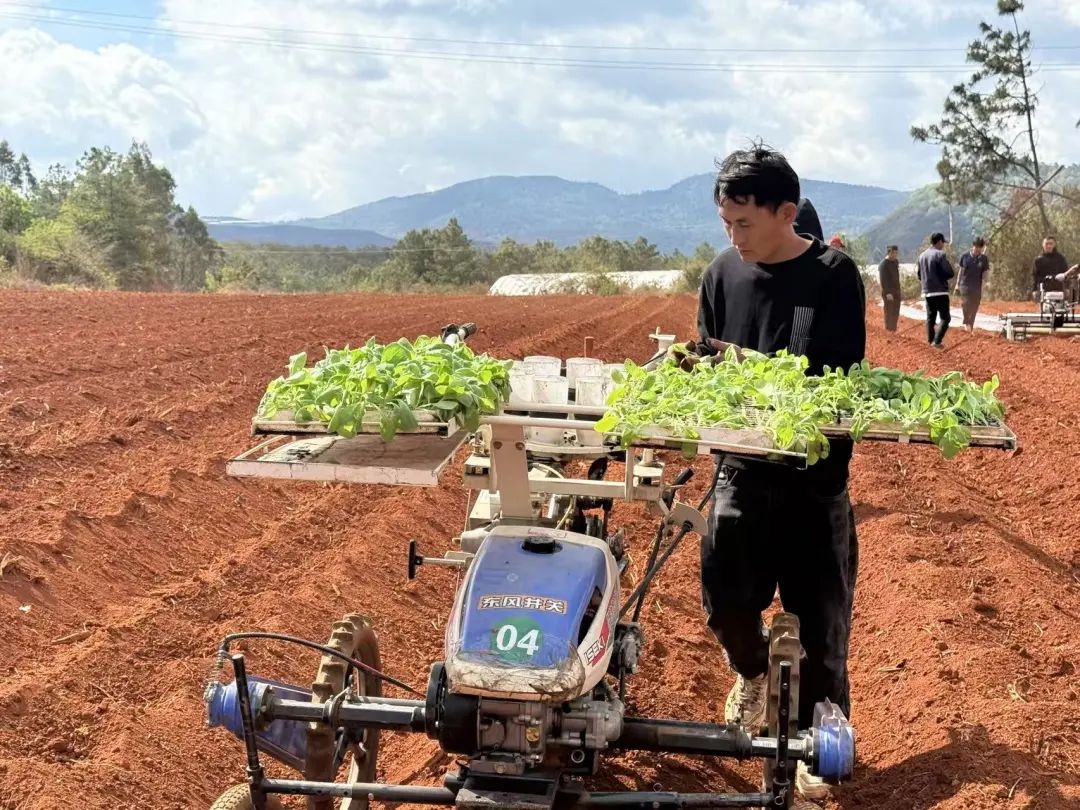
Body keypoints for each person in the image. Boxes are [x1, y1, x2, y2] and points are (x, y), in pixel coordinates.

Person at [693, 144, 865, 805]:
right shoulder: (721, 276)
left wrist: (737, 361)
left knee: (822, 629)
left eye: (744, 224)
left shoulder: (831, 276)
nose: (733, 239)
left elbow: (834, 376)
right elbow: (706, 363)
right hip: (739, 473)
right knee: (725, 605)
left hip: (812, 483)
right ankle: (752, 671)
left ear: (785, 212)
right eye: (726, 223)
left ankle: (818, 750)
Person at [917, 232, 954, 349]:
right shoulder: (940, 255)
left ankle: (930, 341)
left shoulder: (921, 256)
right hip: (940, 291)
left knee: (931, 317)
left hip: (927, 291)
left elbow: (919, 275)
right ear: (939, 242)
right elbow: (949, 272)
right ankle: (937, 342)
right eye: (943, 242)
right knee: (945, 318)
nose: (943, 245)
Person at [956, 237, 990, 332]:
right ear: (973, 246)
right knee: (965, 304)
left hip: (976, 286)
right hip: (965, 285)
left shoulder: (983, 259)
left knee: (975, 306)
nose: (978, 249)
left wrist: (987, 282)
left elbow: (985, 272)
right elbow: (961, 271)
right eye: (976, 247)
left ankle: (970, 324)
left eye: (980, 247)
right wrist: (957, 284)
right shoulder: (965, 256)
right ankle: (967, 322)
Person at [877, 245, 902, 332]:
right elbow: (882, 279)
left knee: (896, 312)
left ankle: (893, 330)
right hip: (888, 292)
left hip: (896, 291)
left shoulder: (896, 262)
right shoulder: (883, 264)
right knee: (889, 312)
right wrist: (887, 293)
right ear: (889, 252)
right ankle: (888, 330)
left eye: (896, 253)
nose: (895, 255)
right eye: (893, 253)